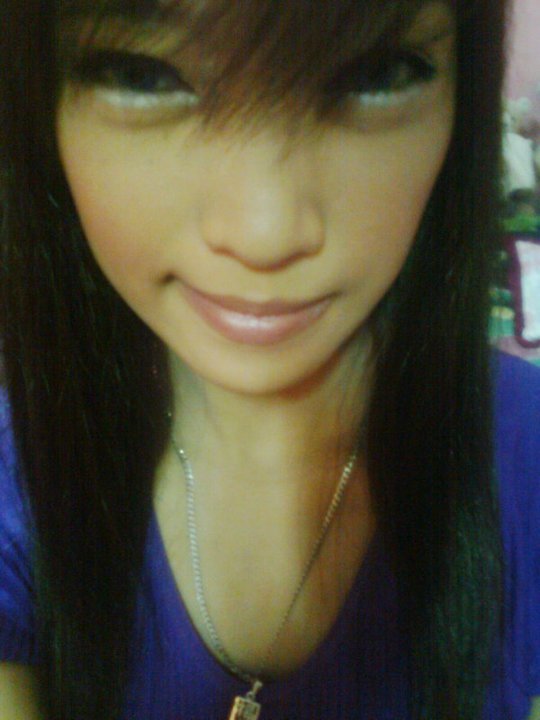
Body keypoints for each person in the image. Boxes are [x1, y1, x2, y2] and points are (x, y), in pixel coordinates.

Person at [0, 0, 539, 718]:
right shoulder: (16, 469)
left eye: (378, 76)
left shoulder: (525, 453)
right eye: (143, 76)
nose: (266, 234)